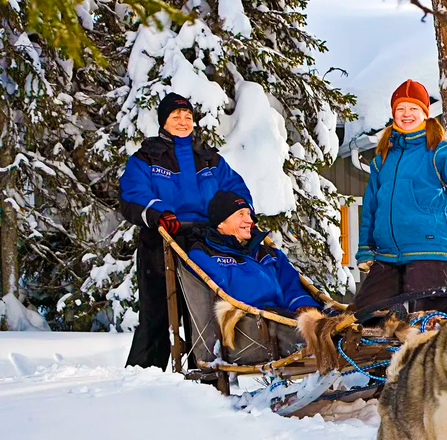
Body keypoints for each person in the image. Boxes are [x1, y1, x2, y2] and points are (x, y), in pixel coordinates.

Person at [119, 92, 254, 369]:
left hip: (206, 243)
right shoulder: (146, 158)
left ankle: (204, 370)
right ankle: (143, 376)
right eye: (175, 116)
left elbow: (236, 190)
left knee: (203, 312)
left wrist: (239, 214)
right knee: (157, 314)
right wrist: (160, 212)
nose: (183, 121)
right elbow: (133, 194)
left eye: (188, 116)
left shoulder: (209, 159)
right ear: (163, 121)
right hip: (162, 242)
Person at [355, 79, 447, 315]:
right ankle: (377, 353)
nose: (407, 114)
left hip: (429, 250)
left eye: (413, 109)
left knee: (427, 320)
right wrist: (366, 248)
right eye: (401, 109)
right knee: (364, 314)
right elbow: (372, 208)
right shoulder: (382, 159)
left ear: (424, 113)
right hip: (387, 254)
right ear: (393, 113)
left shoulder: (438, 151)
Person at [188, 191, 321, 313]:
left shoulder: (268, 254)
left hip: (282, 323)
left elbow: (290, 284)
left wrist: (302, 306)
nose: (250, 220)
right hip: (247, 326)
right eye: (241, 214)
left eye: (248, 214)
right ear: (220, 223)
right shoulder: (204, 255)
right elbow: (220, 298)